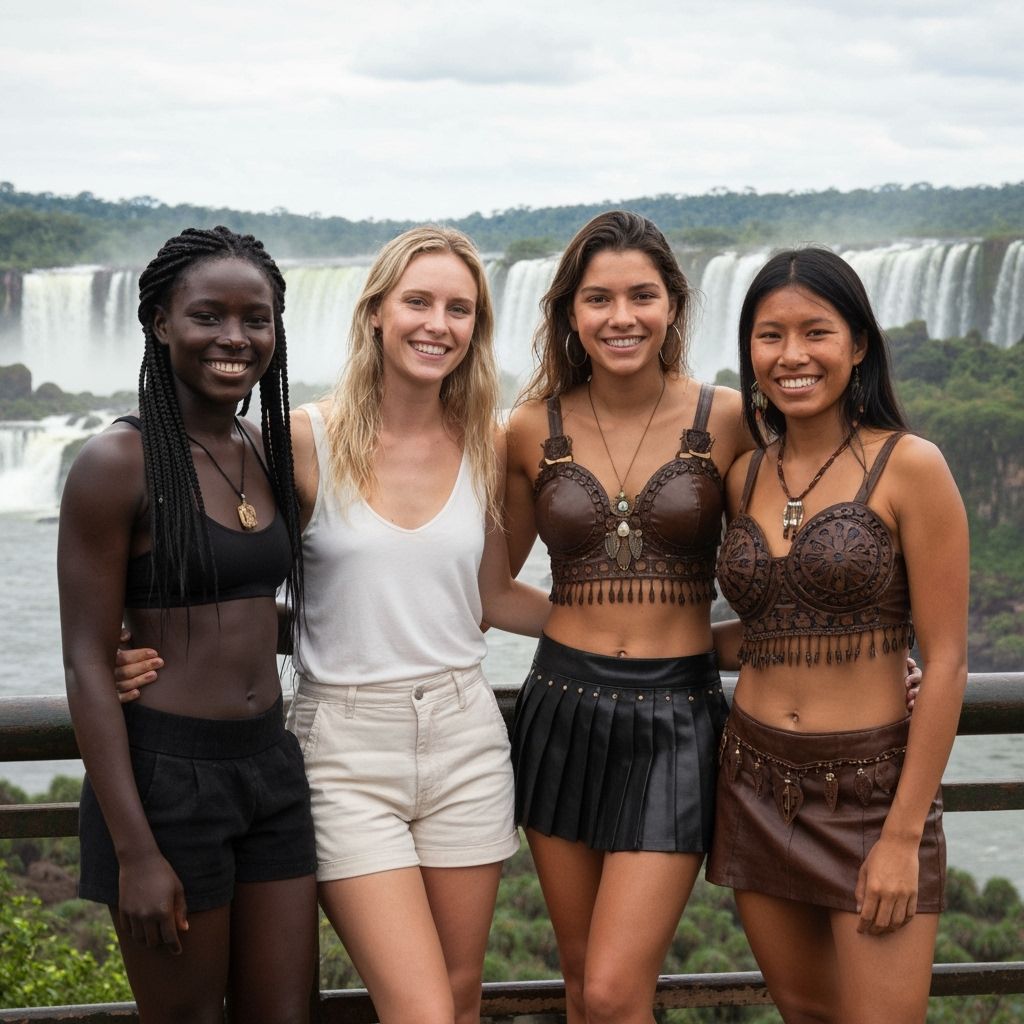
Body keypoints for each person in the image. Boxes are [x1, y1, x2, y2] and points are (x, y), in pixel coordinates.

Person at [115, 225, 551, 1024]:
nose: (437, 323)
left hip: (466, 733)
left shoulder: (490, 446)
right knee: (418, 1009)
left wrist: (636, 631)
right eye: (417, 301)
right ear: (377, 313)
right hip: (347, 743)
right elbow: (217, 552)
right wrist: (131, 636)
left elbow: (492, 595)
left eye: (460, 308)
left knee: (457, 1000)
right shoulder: (299, 441)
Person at [58, 227, 318, 1023]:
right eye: (209, 316)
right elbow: (85, 664)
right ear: (161, 322)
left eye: (257, 318)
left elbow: (242, 606)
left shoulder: (263, 448)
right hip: (166, 781)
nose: (235, 338)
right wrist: (136, 852)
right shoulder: (117, 463)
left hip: (270, 769)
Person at [502, 210, 752, 1024]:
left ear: (672, 304)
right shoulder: (531, 426)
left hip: (678, 718)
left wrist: (873, 652)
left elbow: (788, 568)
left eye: (641, 295)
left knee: (614, 990)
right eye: (599, 298)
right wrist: (577, 627)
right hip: (560, 711)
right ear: (571, 312)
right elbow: (487, 588)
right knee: (580, 980)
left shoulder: (727, 418)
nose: (621, 317)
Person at [707, 247, 968, 1023]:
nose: (792, 356)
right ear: (749, 353)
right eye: (769, 336)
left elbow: (949, 658)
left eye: (815, 332)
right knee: (807, 1015)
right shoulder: (744, 475)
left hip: (872, 795)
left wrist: (901, 834)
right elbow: (767, 628)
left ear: (857, 345)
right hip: (753, 782)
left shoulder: (910, 467)